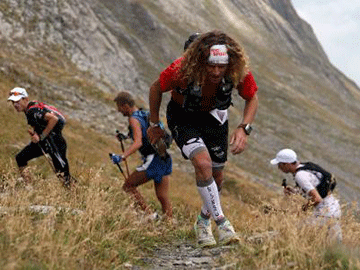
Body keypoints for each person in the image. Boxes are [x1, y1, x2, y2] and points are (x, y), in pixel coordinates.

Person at [147, 30, 259, 247]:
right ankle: (222, 223)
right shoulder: (180, 69)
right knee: (202, 163)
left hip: (215, 119)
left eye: (221, 67)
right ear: (200, 62)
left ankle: (202, 222)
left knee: (217, 177)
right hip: (183, 118)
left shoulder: (236, 69)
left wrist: (244, 127)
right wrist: (154, 124)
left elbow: (252, 96)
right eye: (211, 66)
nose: (216, 72)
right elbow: (156, 88)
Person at [111, 91, 173, 220]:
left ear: (126, 106)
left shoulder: (133, 119)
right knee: (162, 196)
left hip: (153, 159)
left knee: (128, 186)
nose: (118, 110)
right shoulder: (144, 113)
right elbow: (145, 133)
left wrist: (122, 156)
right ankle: (170, 224)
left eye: (119, 107)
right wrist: (126, 136)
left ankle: (149, 215)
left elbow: (138, 142)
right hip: (164, 157)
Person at [270, 148, 342, 242]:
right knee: (335, 245)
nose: (279, 168)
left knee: (291, 231)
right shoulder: (306, 166)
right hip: (334, 208)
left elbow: (317, 199)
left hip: (325, 213)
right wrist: (294, 192)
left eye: (279, 165)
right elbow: (315, 188)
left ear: (286, 164)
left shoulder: (300, 176)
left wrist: (303, 209)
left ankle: (259, 240)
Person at [8, 87, 73, 187]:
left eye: (17, 101)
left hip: (54, 142)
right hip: (47, 141)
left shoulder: (31, 111)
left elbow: (53, 119)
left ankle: (75, 195)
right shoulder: (31, 108)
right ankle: (29, 186)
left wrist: (41, 136)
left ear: (25, 99)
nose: (15, 105)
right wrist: (36, 134)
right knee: (20, 158)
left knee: (63, 174)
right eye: (13, 102)